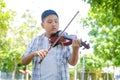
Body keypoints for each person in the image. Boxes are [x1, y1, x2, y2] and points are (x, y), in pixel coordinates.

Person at [21, 9, 80, 80]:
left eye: (56, 21)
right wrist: (34, 54)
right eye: (49, 22)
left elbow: (72, 63)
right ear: (42, 25)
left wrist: (75, 50)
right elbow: (23, 62)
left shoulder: (64, 40)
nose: (54, 24)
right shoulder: (35, 41)